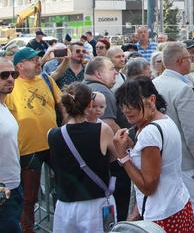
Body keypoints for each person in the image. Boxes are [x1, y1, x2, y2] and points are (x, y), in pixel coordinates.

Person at [113, 76, 194, 232]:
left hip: (162, 214)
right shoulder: (165, 120)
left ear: (151, 99)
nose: (126, 109)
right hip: (178, 205)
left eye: (132, 102)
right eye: (123, 104)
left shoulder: (149, 132)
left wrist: (122, 155)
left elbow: (148, 187)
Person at [152, 42, 194, 232]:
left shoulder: (154, 84)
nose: (192, 61)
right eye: (188, 58)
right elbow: (192, 131)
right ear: (179, 61)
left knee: (170, 209)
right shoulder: (182, 89)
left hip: (159, 159)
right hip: (185, 161)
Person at [5, 47, 62, 233]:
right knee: (29, 197)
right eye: (33, 60)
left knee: (64, 187)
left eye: (38, 58)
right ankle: (27, 229)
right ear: (20, 65)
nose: (38, 62)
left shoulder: (46, 78)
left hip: (53, 143)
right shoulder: (11, 86)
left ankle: (62, 223)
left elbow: (61, 105)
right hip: (28, 149)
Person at [47, 82, 117, 232]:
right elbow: (114, 157)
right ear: (90, 104)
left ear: (64, 105)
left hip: (65, 205)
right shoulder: (102, 130)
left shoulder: (52, 134)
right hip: (96, 204)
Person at [82, 56, 132, 220]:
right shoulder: (102, 91)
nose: (116, 72)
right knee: (118, 211)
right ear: (98, 73)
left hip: (93, 165)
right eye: (111, 69)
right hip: (111, 164)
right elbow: (109, 125)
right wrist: (131, 148)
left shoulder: (83, 88)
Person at [0, 59, 21, 233]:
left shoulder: (4, 105)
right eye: (3, 75)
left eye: (13, 74)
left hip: (13, 186)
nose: (10, 79)